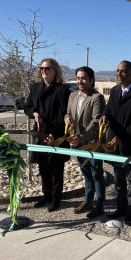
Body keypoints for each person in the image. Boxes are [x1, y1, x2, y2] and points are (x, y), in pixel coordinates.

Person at [99, 60, 131, 225]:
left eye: (123, 71)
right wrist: (105, 116)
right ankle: (120, 208)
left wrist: (123, 137)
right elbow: (109, 110)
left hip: (130, 144)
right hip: (115, 144)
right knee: (118, 179)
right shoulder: (114, 91)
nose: (119, 74)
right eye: (117, 71)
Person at [24, 58, 70, 212]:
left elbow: (62, 114)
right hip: (39, 134)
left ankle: (56, 198)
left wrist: (51, 133)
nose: (44, 71)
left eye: (47, 68)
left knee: (56, 168)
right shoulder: (35, 87)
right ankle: (46, 195)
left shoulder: (62, 90)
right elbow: (27, 107)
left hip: (55, 135)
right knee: (43, 166)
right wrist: (34, 113)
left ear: (55, 70)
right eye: (42, 68)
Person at [64, 66, 106, 219]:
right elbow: (68, 113)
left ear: (91, 80)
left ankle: (100, 205)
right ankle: (88, 201)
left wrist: (80, 137)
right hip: (78, 142)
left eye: (83, 78)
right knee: (86, 172)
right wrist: (67, 119)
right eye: (78, 78)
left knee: (96, 174)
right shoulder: (73, 95)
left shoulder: (96, 97)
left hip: (92, 143)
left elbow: (96, 122)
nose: (80, 81)